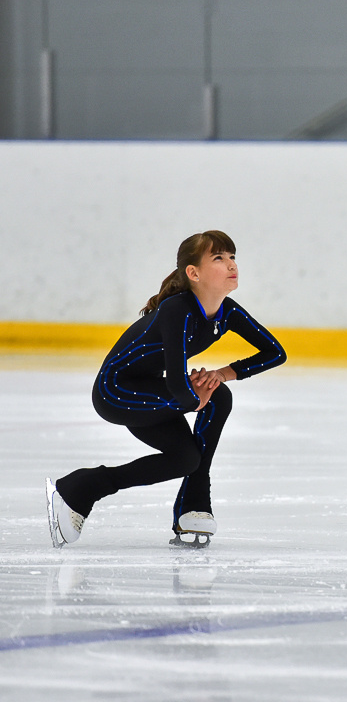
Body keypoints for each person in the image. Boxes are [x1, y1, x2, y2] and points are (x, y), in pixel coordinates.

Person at [46, 230, 287, 547]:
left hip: (152, 390)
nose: (231, 264)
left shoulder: (227, 312)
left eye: (232, 257)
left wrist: (221, 374)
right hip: (116, 391)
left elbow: (275, 353)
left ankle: (84, 487)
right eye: (218, 258)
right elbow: (176, 381)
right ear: (194, 273)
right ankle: (196, 499)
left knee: (186, 458)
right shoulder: (178, 309)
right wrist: (195, 398)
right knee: (215, 399)